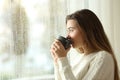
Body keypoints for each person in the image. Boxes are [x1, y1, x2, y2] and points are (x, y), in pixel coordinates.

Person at [50, 9, 119, 80]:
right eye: (68, 31)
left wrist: (63, 59)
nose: (67, 36)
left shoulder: (103, 57)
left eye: (71, 30)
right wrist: (57, 61)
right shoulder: (79, 58)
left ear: (86, 31)